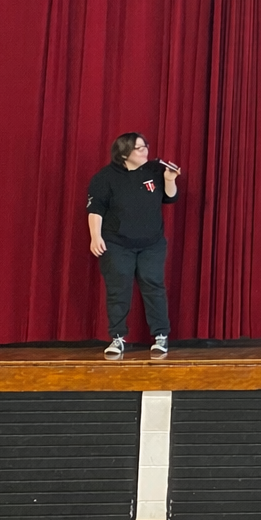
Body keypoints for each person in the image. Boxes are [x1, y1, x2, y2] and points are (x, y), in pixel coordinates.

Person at [87, 133, 181, 360]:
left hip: (152, 243)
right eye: (138, 148)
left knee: (153, 285)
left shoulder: (154, 171)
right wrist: (95, 236)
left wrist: (170, 179)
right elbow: (95, 209)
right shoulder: (105, 177)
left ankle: (161, 336)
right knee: (118, 288)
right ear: (123, 154)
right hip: (117, 243)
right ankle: (117, 337)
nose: (144, 150)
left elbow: (170, 198)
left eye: (145, 146)